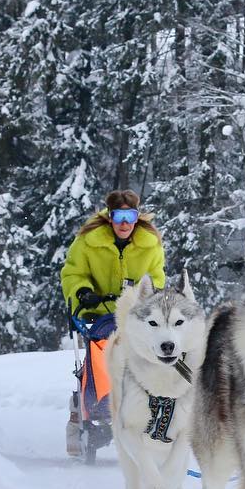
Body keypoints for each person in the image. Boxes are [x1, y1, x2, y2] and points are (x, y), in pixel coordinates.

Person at [60, 190, 166, 456]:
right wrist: (82, 291)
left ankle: (145, 405)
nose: (124, 223)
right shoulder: (88, 242)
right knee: (103, 345)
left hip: (136, 315)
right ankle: (96, 402)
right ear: (109, 217)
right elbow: (72, 273)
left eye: (130, 216)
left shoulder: (149, 244)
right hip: (96, 312)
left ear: (136, 217)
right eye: (118, 216)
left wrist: (149, 293)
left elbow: (157, 278)